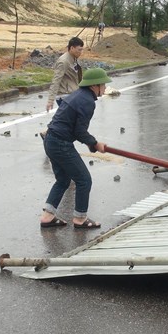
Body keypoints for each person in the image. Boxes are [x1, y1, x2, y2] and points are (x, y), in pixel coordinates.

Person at [39, 67, 112, 229]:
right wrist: (94, 143)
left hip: (50, 139)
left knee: (63, 180)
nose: (105, 88)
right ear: (94, 86)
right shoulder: (87, 102)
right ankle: (80, 218)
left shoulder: (78, 95)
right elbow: (79, 131)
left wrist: (91, 144)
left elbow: (75, 129)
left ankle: (47, 216)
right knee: (84, 180)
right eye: (103, 85)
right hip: (60, 144)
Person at [46, 36, 84, 113]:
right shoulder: (63, 61)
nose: (81, 52)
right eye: (79, 50)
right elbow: (56, 80)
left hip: (72, 95)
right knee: (70, 121)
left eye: (81, 50)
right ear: (72, 48)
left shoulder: (74, 59)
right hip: (64, 97)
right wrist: (50, 100)